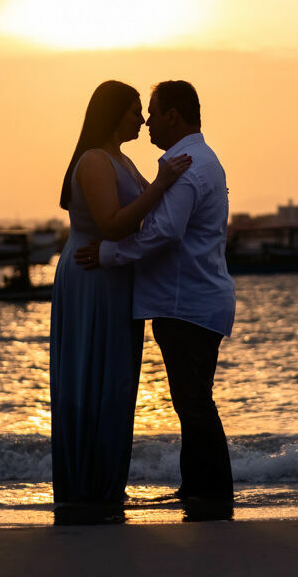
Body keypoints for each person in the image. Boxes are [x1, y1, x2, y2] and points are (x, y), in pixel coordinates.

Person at [75, 80, 236, 521]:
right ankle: (200, 488)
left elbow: (163, 232)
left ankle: (214, 492)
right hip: (196, 300)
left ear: (173, 116)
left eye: (153, 111)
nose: (146, 121)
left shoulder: (187, 166)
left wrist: (109, 254)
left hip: (185, 302)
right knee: (193, 399)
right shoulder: (199, 161)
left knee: (193, 401)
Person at [50, 80, 192, 525]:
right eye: (134, 112)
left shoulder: (123, 161)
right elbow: (112, 225)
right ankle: (86, 488)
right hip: (91, 279)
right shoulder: (94, 161)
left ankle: (107, 486)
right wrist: (163, 182)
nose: (142, 120)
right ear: (113, 114)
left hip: (116, 280)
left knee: (115, 382)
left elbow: (152, 215)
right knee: (91, 378)